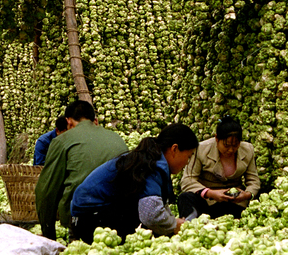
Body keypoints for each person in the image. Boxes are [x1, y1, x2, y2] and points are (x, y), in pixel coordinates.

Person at [70, 123, 199, 243]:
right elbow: (151, 215)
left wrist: (172, 222)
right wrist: (175, 225)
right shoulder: (152, 165)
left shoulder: (150, 159)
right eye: (188, 156)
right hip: (90, 219)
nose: (187, 162)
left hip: (85, 216)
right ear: (174, 149)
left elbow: (157, 205)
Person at [34, 100, 128, 240]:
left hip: (84, 219)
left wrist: (48, 235)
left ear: (69, 122)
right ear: (95, 120)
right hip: (123, 217)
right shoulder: (116, 137)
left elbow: (46, 192)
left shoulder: (62, 141)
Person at [177, 115, 260, 220]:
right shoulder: (201, 149)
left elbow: (254, 180)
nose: (231, 150)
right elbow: (187, 180)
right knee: (185, 197)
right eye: (226, 145)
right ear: (216, 138)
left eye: (235, 145)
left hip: (234, 203)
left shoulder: (248, 150)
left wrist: (247, 195)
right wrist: (210, 193)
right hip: (207, 202)